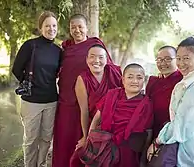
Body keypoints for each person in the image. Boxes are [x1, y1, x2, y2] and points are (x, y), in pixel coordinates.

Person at [52, 14, 113, 167]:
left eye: (80, 27)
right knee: (65, 141)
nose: (77, 30)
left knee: (88, 142)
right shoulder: (66, 49)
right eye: (73, 27)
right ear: (69, 29)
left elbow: (109, 67)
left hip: (91, 101)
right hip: (67, 103)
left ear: (87, 28)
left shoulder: (95, 44)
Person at [147, 35, 194, 166]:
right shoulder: (190, 81)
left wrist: (158, 141)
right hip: (189, 140)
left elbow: (182, 125)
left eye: (186, 58)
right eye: (179, 58)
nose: (181, 63)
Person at [12, 11, 61, 167]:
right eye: (47, 26)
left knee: (46, 138)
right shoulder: (30, 45)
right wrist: (29, 83)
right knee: (31, 140)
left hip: (51, 101)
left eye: (54, 25)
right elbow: (16, 69)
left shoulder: (58, 51)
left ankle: (41, 165)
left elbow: (59, 73)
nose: (51, 29)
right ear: (41, 28)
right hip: (31, 101)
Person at [85, 63, 154, 167]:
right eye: (130, 77)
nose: (135, 81)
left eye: (139, 78)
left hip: (128, 150)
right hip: (104, 145)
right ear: (123, 80)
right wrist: (90, 139)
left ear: (143, 81)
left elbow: (148, 131)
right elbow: (97, 118)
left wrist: (143, 158)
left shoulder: (146, 103)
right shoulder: (112, 95)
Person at [69, 44, 122, 167]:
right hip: (92, 126)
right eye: (92, 57)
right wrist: (85, 136)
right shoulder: (82, 79)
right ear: (87, 59)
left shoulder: (114, 73)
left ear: (106, 59)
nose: (96, 61)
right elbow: (84, 110)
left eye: (101, 57)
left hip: (114, 124)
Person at [146, 46, 183, 139]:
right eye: (159, 59)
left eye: (168, 59)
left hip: (173, 133)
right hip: (153, 131)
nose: (162, 63)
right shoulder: (153, 82)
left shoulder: (183, 81)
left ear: (177, 60)